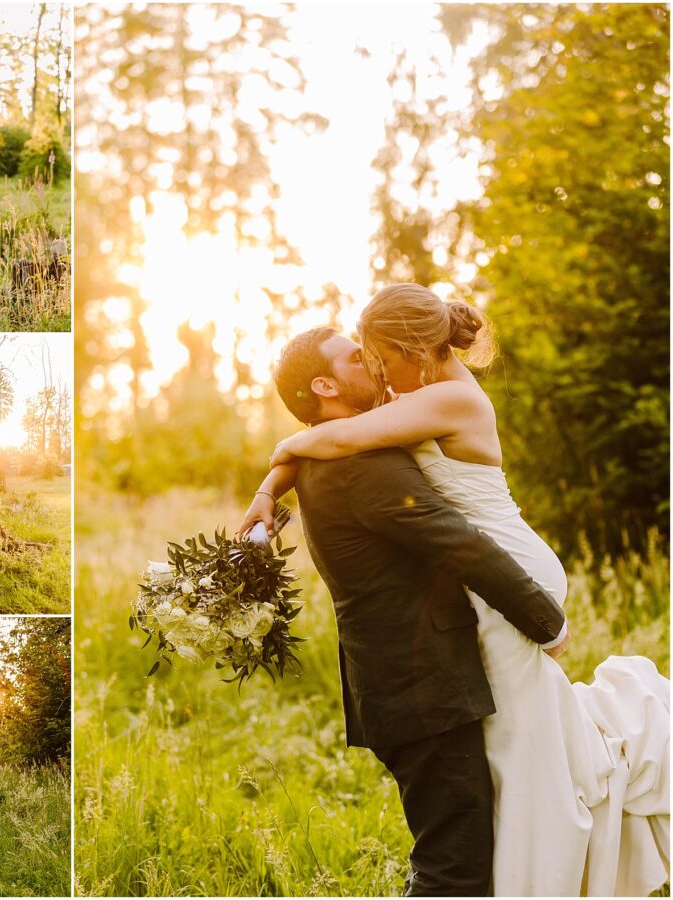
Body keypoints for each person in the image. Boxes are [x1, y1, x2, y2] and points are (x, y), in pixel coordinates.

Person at [244, 284, 670, 896]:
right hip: (478, 601)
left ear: (409, 347)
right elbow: (331, 441)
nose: (373, 368)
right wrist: (271, 484)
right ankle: (525, 864)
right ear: (326, 387)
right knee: (519, 753)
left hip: (507, 569)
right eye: (358, 358)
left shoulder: (441, 399)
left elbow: (330, 440)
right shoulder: (401, 408)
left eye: (376, 355)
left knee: (524, 756)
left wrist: (275, 467)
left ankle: (537, 865)